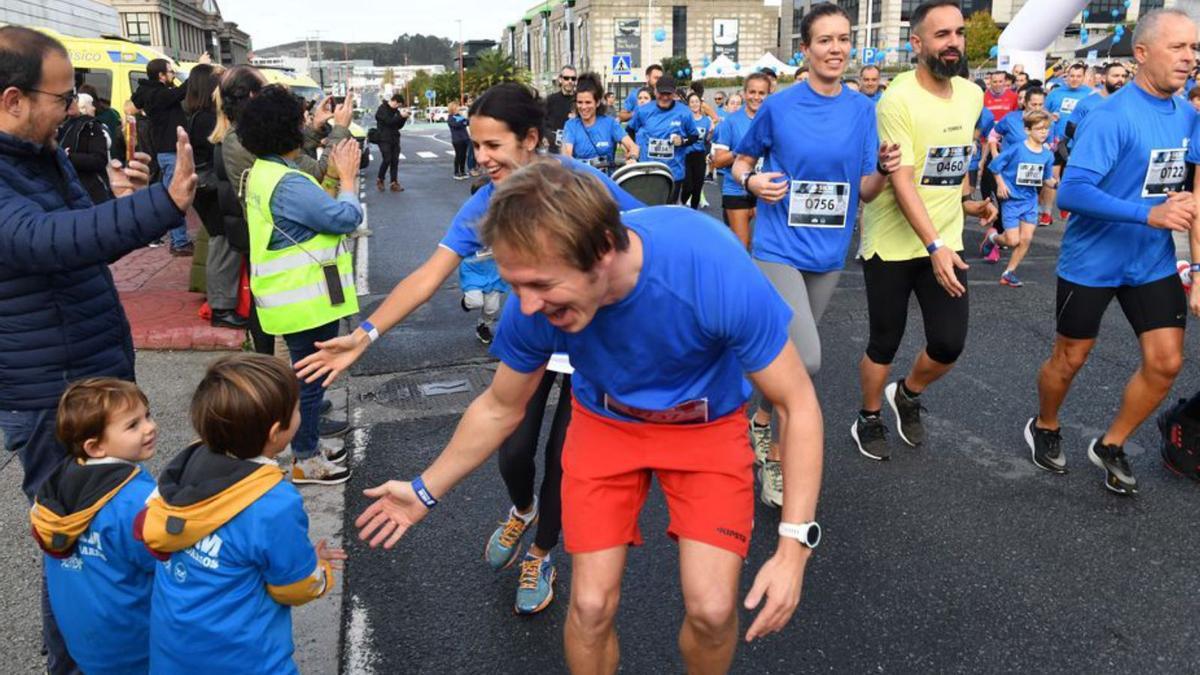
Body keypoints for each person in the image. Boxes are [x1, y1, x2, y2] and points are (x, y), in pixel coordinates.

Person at [353, 160, 825, 672]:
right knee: (591, 606)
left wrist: (794, 544)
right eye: (516, 286)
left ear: (602, 249)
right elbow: (499, 406)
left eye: (540, 285)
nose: (527, 307)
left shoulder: (707, 261)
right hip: (608, 425)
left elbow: (796, 403)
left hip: (704, 428)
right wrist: (425, 489)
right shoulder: (534, 304)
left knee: (712, 610)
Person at [295, 83, 643, 616]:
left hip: (595, 342)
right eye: (476, 146)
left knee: (565, 460)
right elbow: (429, 276)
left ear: (529, 139)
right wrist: (364, 336)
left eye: (492, 146)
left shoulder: (583, 182)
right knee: (515, 451)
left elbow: (649, 234)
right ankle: (521, 511)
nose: (480, 158)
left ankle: (543, 553)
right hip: (534, 336)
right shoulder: (486, 202)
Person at [0, 25, 197, 675]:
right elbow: (43, 240)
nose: (76, 106)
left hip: (85, 376)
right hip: (52, 394)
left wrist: (129, 204)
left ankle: (104, 651)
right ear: (13, 100)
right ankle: (75, 663)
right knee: (74, 544)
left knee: (103, 537)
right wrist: (161, 205)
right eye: (63, 97)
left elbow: (81, 242)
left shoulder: (33, 155)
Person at [1026, 9, 1196, 495]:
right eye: (1177, 48)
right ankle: (1047, 423)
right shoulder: (1111, 115)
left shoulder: (1187, 115)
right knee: (1070, 358)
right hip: (1093, 261)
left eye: (1194, 49)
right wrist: (1150, 214)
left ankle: (1111, 442)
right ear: (1141, 54)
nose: (1188, 58)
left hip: (1151, 261)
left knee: (1165, 363)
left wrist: (1180, 205)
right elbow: (1073, 193)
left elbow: (1179, 184)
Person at [734, 3, 900, 494]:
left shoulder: (862, 109)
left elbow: (866, 190)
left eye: (843, 39)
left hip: (828, 252)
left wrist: (886, 171)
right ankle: (779, 463)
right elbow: (741, 162)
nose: (836, 49)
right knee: (805, 360)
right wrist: (754, 180)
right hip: (777, 245)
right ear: (804, 49)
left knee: (786, 354)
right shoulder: (779, 106)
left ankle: (761, 420)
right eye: (824, 40)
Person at [137, 353, 347, 672]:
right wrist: (319, 568)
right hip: (245, 659)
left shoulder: (181, 469)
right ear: (277, 431)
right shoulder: (274, 502)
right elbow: (294, 586)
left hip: (173, 654)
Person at [851, 0, 996, 459]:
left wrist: (970, 203)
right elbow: (903, 181)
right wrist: (932, 244)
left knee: (949, 343)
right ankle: (869, 416)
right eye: (942, 35)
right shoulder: (896, 99)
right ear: (917, 44)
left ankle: (907, 394)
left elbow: (954, 165)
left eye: (958, 34)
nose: (953, 43)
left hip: (946, 238)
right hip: (895, 244)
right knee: (885, 340)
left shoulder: (972, 96)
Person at [239, 84, 362, 485]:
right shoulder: (287, 182)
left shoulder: (265, 172)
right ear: (287, 130)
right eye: (302, 119)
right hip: (307, 300)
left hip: (287, 297)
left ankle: (307, 446)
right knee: (310, 381)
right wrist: (348, 180)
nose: (306, 124)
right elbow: (343, 219)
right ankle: (306, 459)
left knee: (304, 378)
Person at [31, 379, 158, 675]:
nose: (149, 427)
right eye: (133, 425)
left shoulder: (55, 490)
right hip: (136, 642)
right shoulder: (136, 501)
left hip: (85, 642)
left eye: (147, 416)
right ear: (96, 447)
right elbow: (164, 560)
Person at [181, 63, 244, 331]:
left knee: (221, 245)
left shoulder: (196, 115)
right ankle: (222, 307)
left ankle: (220, 303)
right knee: (224, 246)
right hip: (214, 189)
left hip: (207, 188)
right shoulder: (209, 118)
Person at [981, 109, 1056, 286]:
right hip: (1012, 200)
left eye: (1046, 129)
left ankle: (1008, 273)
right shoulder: (1017, 149)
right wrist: (1001, 184)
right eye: (1039, 129)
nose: (1043, 132)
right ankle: (992, 239)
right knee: (1012, 240)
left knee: (1026, 239)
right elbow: (994, 166)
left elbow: (1046, 179)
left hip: (1030, 200)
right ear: (1027, 130)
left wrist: (1059, 184)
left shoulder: (1047, 155)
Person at [133, 57, 192, 256]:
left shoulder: (149, 92)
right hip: (169, 151)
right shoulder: (158, 95)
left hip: (166, 151)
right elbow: (181, 92)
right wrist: (195, 70)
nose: (173, 75)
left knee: (171, 196)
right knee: (174, 198)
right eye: (171, 72)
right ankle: (179, 241)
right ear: (161, 75)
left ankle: (174, 238)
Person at [712, 73, 769, 248]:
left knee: (766, 245)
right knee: (742, 244)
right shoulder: (731, 122)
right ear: (744, 94)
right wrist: (742, 150)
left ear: (768, 94)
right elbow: (718, 161)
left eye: (761, 93)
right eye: (752, 92)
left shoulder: (774, 120)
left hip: (766, 190)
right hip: (736, 190)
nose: (756, 97)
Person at [627, 74, 699, 202]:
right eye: (661, 93)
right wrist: (633, 152)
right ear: (655, 91)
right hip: (648, 170)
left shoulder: (684, 112)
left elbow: (694, 136)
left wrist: (682, 141)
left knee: (668, 212)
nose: (665, 97)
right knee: (648, 209)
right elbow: (630, 130)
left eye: (669, 93)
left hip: (673, 172)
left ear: (674, 93)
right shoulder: (643, 110)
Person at [561, 72, 638, 172]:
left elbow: (633, 147)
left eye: (588, 102)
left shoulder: (610, 124)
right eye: (580, 102)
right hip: (582, 182)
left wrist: (632, 158)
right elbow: (566, 155)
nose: (583, 107)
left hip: (606, 183)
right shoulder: (571, 125)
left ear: (597, 103)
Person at [57, 92, 112, 204]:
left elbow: (99, 159)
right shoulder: (54, 128)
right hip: (64, 193)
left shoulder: (90, 125)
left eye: (73, 98)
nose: (72, 102)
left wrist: (69, 157)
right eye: (66, 99)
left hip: (90, 192)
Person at [458, 250, 508, 344]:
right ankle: (466, 302)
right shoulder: (468, 235)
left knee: (492, 308)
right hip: (472, 268)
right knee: (475, 302)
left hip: (494, 271)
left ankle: (483, 325)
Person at [679, 92, 712, 209]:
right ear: (688, 105)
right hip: (686, 156)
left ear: (700, 103)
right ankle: (682, 204)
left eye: (696, 101)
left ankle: (694, 212)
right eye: (692, 102)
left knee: (697, 188)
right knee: (688, 186)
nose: (694, 104)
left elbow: (708, 139)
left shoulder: (707, 121)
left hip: (700, 156)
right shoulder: (684, 119)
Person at [375, 92, 409, 191]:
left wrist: (404, 118)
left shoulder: (396, 111)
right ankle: (380, 179)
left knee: (395, 161)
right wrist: (400, 116)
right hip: (383, 139)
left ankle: (394, 183)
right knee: (387, 159)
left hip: (395, 138)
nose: (398, 107)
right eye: (398, 104)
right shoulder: (382, 109)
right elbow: (388, 122)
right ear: (393, 101)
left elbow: (398, 126)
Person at [544, 65, 577, 153]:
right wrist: (548, 137)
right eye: (566, 78)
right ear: (560, 79)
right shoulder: (550, 100)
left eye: (573, 78)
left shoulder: (580, 100)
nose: (570, 81)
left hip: (575, 150)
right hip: (554, 149)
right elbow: (542, 122)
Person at [448, 100, 471, 179]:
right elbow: (456, 125)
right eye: (457, 107)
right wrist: (463, 122)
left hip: (465, 138)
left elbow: (467, 122)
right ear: (453, 108)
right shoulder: (450, 118)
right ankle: (456, 172)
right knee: (458, 155)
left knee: (464, 156)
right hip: (457, 140)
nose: (458, 109)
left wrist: (463, 121)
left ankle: (463, 171)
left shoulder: (459, 116)